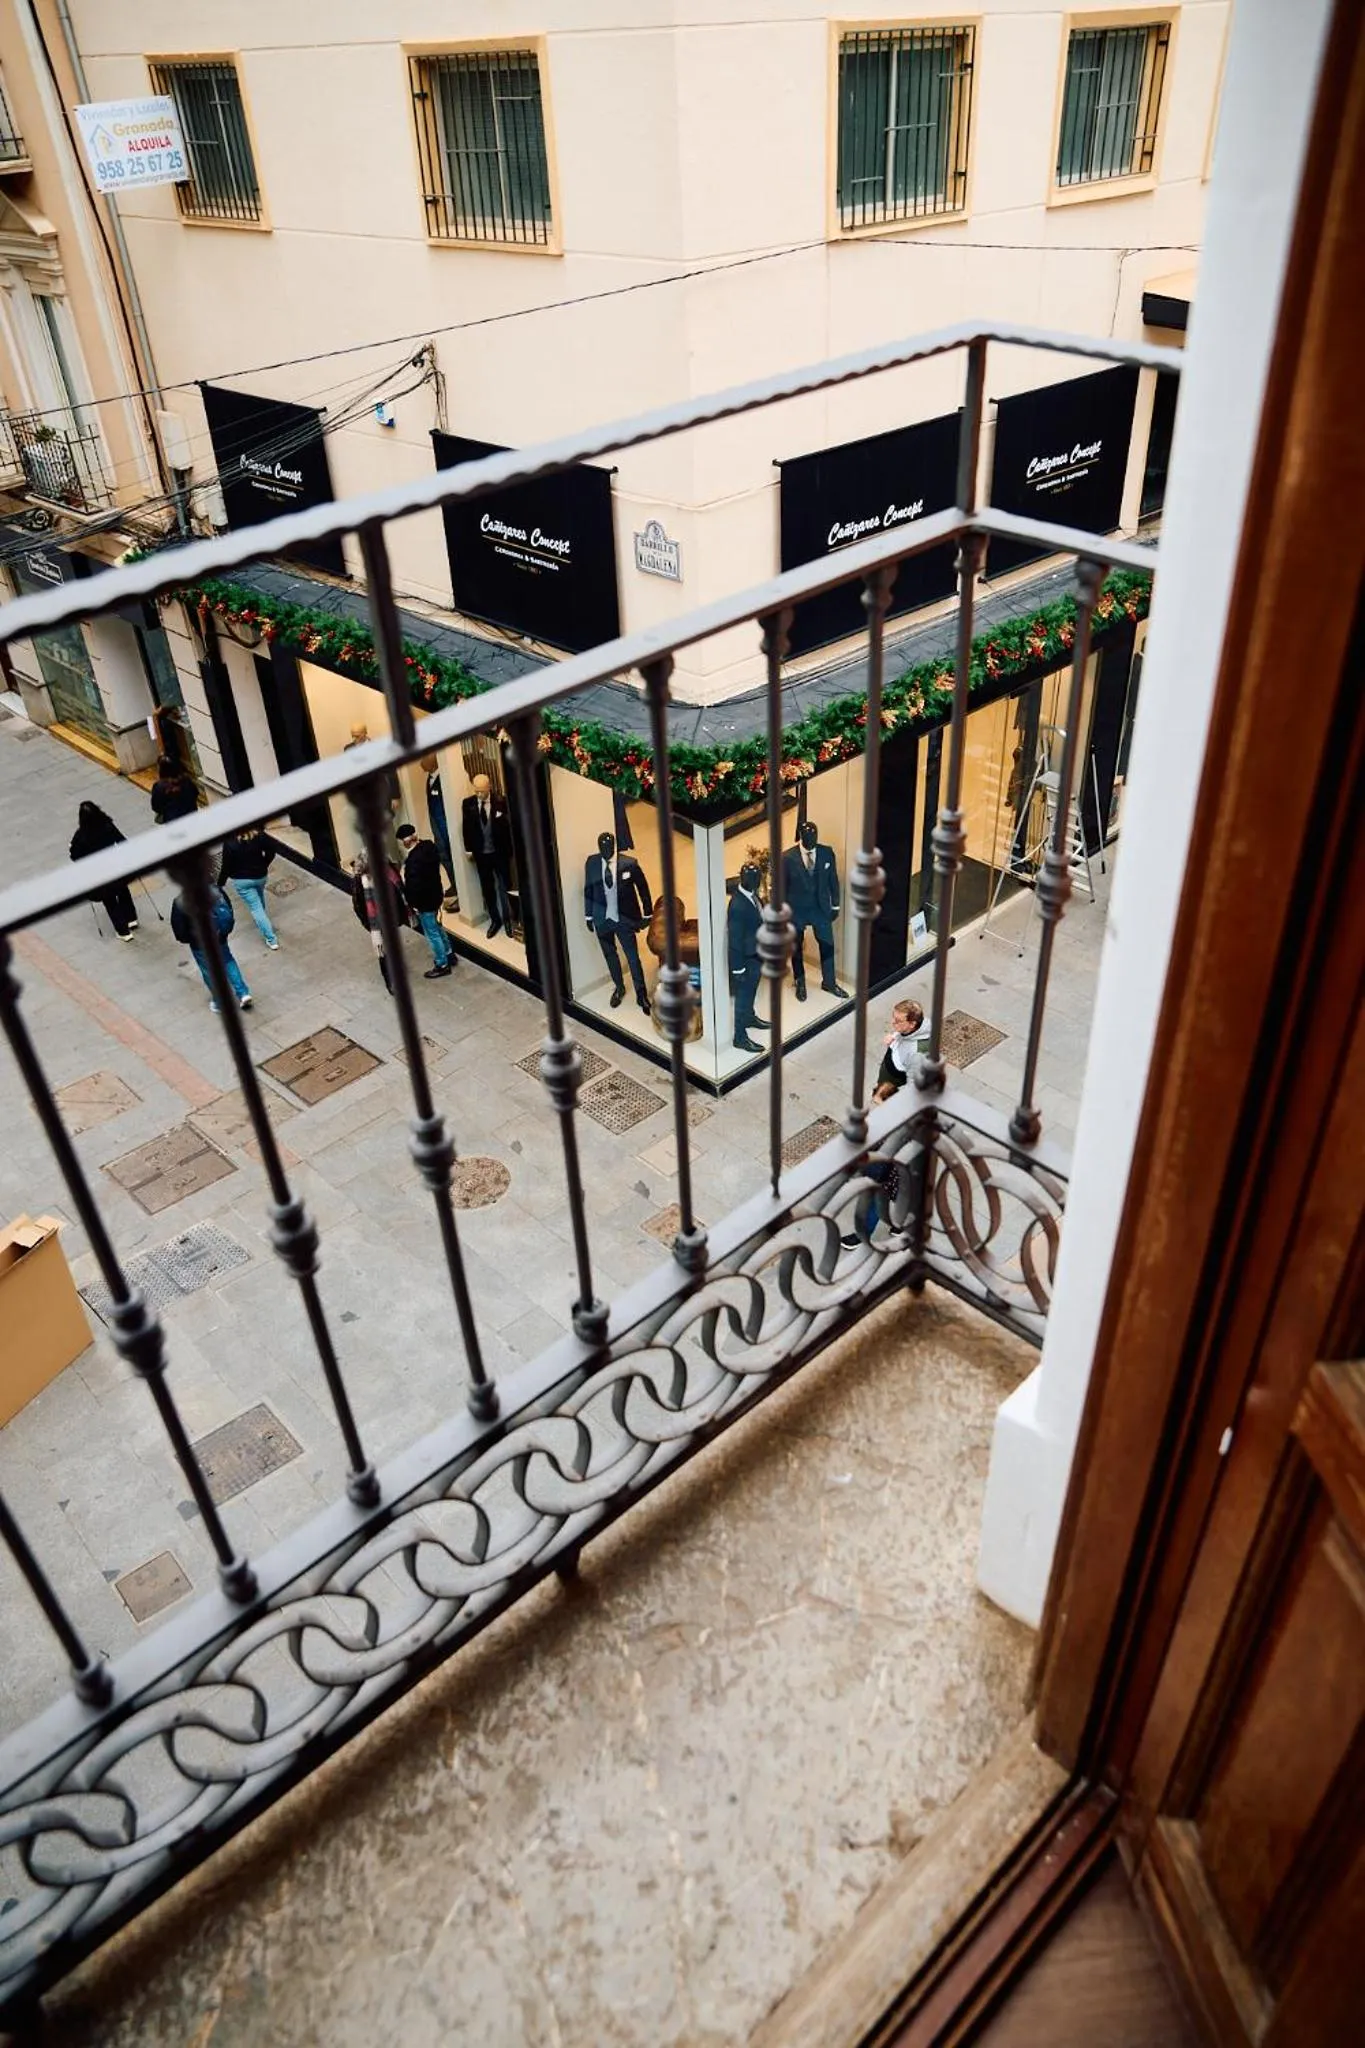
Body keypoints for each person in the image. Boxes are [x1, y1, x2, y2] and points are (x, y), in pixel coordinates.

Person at [170, 884, 251, 1012]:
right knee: (228, 961)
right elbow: (228, 909)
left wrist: (189, 939)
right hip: (219, 937)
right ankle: (243, 993)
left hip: (200, 943)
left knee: (209, 971)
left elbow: (179, 929)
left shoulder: (181, 902)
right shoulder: (215, 890)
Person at [68, 801, 138, 940]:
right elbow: (122, 841)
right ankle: (131, 918)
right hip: (116, 865)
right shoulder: (107, 825)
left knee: (109, 900)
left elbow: (75, 856)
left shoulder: (81, 835)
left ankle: (124, 932)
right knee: (123, 890)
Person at [395, 822, 455, 979]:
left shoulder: (413, 862)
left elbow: (414, 887)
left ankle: (442, 964)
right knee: (438, 927)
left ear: (405, 842)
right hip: (436, 896)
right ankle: (449, 953)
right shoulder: (429, 847)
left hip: (424, 902)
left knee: (432, 933)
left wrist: (412, 903)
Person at [351, 852, 406, 995]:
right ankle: (390, 980)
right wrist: (369, 924)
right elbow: (358, 905)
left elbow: (398, 888)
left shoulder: (388, 871)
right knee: (384, 952)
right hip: (377, 921)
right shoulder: (361, 881)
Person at [218, 827, 280, 949]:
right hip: (260, 876)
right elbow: (272, 849)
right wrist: (264, 864)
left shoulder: (230, 843)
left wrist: (220, 883)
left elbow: (226, 866)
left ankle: (271, 939)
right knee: (259, 897)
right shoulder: (259, 835)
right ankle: (263, 921)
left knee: (255, 908)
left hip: (242, 880)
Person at [873, 999, 931, 1103]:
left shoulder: (917, 1055)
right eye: (893, 1017)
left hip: (893, 1085)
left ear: (912, 1024)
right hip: (888, 1075)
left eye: (898, 1021)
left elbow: (913, 1087)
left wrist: (886, 1094)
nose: (892, 1022)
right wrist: (894, 1036)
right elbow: (905, 1034)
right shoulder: (911, 1028)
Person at [150, 755, 200, 825]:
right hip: (191, 818)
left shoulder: (159, 787)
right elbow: (195, 793)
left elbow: (156, 806)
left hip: (174, 822)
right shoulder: (186, 781)